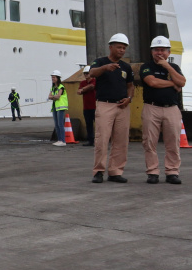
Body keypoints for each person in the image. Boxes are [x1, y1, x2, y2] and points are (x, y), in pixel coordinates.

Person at [88, 33, 135, 183]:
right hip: (105, 104)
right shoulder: (100, 62)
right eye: (119, 47)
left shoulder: (126, 67)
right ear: (111, 47)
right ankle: (99, 171)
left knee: (121, 141)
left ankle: (115, 171)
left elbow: (130, 86)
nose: (122, 50)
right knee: (102, 139)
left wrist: (129, 98)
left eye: (124, 48)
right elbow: (92, 73)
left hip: (122, 107)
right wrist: (105, 68)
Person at [140, 36, 185, 185]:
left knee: (173, 141)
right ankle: (152, 172)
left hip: (171, 109)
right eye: (156, 50)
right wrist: (173, 84)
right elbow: (152, 82)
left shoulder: (174, 68)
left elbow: (182, 82)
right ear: (152, 51)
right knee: (149, 142)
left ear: (169, 52)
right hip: (152, 107)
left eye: (162, 50)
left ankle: (172, 172)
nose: (159, 53)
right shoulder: (146, 67)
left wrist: (167, 67)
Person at [77, 66, 96, 146]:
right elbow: (78, 92)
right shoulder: (82, 82)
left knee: (99, 125)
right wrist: (83, 90)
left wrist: (83, 89)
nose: (86, 75)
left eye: (87, 73)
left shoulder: (95, 80)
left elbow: (92, 86)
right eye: (85, 73)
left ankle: (100, 140)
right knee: (89, 125)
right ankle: (90, 141)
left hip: (95, 107)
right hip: (86, 107)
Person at [49, 71, 68, 146]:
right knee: (56, 124)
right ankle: (59, 139)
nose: (52, 79)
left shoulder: (61, 87)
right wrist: (54, 97)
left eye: (54, 77)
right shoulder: (53, 87)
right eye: (52, 77)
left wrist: (53, 97)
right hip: (55, 107)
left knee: (60, 124)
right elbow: (49, 96)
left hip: (61, 107)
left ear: (58, 78)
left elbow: (58, 96)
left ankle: (63, 141)